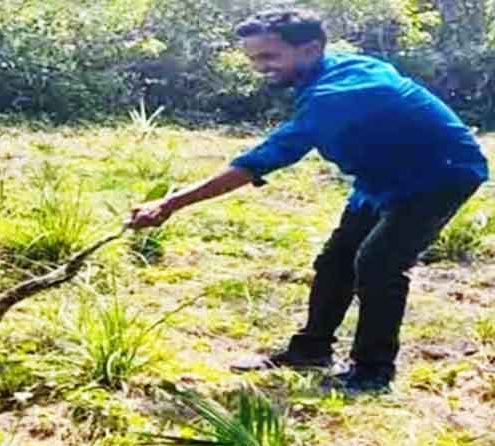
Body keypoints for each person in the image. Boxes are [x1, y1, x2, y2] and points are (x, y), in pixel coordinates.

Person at [127, 9, 488, 393]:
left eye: (269, 57)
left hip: (441, 175)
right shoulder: (331, 74)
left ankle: (373, 373)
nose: (259, 67)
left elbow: (261, 160)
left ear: (311, 48)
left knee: (378, 264)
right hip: (381, 177)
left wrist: (169, 204)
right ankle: (311, 350)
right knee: (336, 261)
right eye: (253, 59)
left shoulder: (336, 95)